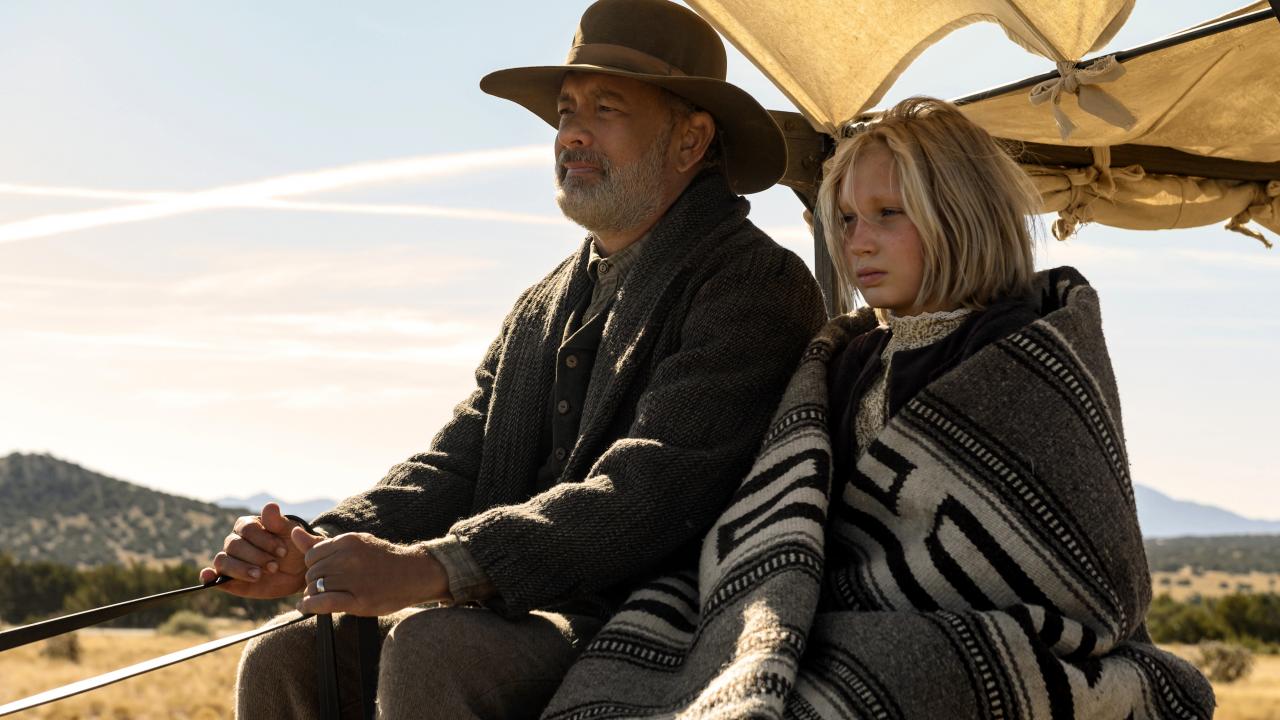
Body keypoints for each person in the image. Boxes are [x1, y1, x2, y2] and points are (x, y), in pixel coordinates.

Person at [199, 0, 827, 717]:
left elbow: (653, 487)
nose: (573, 134)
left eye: (607, 107)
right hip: (521, 610)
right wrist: (317, 546)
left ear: (690, 140)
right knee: (285, 657)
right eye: (565, 111)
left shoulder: (752, 282)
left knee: (436, 650)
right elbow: (456, 465)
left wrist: (439, 566)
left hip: (662, 619)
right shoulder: (542, 303)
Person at [541, 97, 1216, 718]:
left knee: (876, 678)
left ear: (960, 210)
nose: (859, 240)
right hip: (838, 607)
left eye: (888, 214)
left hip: (999, 628)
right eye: (845, 220)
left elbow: (1078, 567)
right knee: (628, 654)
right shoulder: (845, 361)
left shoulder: (1025, 350)